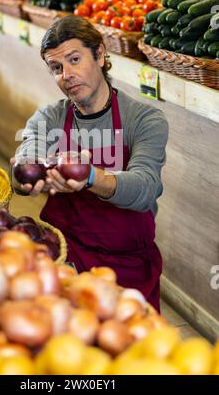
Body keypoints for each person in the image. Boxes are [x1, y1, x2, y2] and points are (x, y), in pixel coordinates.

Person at [13, 16, 168, 312]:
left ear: (99, 55)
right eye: (56, 68)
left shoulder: (144, 120)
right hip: (69, 260)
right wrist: (24, 173)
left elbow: (145, 188)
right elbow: (26, 159)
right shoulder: (49, 118)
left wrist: (91, 176)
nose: (66, 75)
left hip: (131, 267)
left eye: (74, 60)